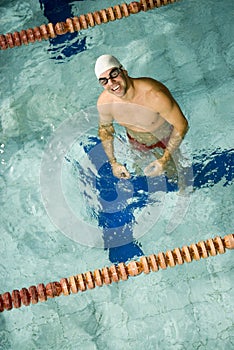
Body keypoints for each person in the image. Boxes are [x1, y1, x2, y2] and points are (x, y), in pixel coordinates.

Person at [95, 54, 189, 179]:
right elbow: (105, 131)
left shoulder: (154, 95)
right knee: (138, 174)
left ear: (124, 71)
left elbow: (181, 125)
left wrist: (164, 160)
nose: (111, 83)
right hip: (136, 142)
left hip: (164, 139)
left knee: (175, 175)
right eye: (104, 81)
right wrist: (114, 163)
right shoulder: (105, 103)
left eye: (114, 74)